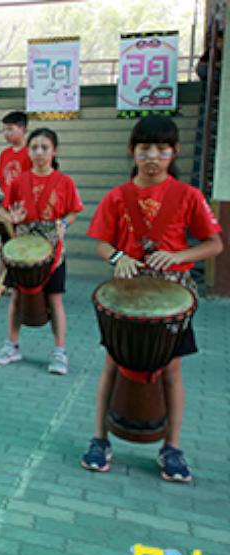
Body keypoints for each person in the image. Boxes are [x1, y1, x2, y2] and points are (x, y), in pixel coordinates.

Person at [80, 115, 223, 482]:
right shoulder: (118, 196)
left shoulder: (188, 196)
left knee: (172, 371)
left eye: (161, 149)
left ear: (174, 152)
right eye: (145, 149)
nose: (153, 156)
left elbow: (214, 244)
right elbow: (101, 243)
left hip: (172, 298)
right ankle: (100, 439)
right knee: (112, 364)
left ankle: (171, 447)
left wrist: (178, 257)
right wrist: (118, 257)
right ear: (133, 151)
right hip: (127, 297)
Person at [0, 128, 84, 375]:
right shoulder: (19, 180)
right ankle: (11, 345)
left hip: (52, 251)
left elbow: (73, 211)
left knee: (55, 300)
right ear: (28, 151)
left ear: (55, 151)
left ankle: (59, 352)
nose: (39, 153)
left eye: (45, 147)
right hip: (22, 250)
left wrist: (64, 223)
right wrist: (11, 216)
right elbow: (2, 209)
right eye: (34, 148)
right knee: (16, 297)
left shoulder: (65, 182)